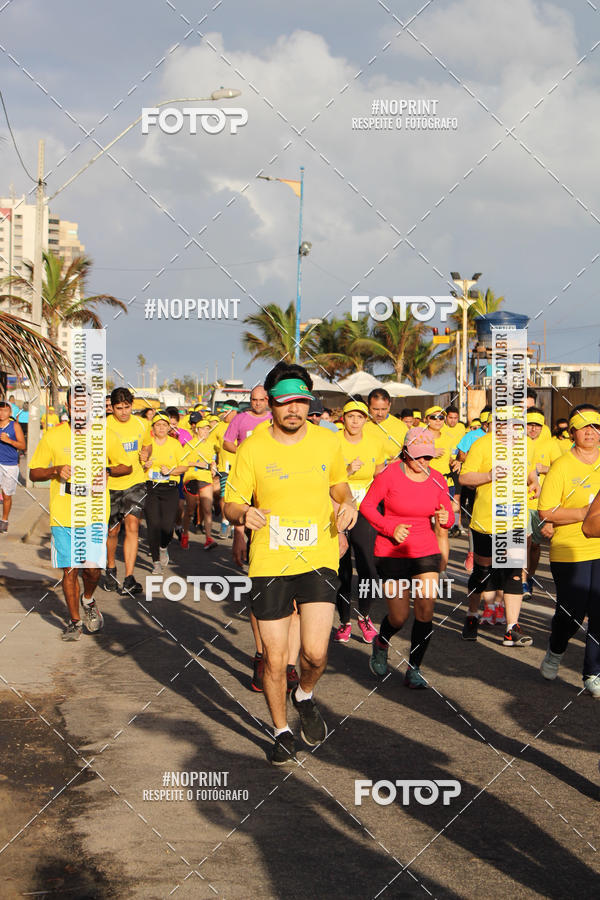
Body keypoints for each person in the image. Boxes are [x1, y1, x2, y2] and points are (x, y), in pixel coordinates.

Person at [224, 362, 357, 765]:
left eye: (301, 401)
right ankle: (281, 731)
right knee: (275, 658)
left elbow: (338, 484)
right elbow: (231, 502)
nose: (294, 409)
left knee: (315, 654)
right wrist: (243, 514)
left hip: (318, 555)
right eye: (285, 402)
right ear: (271, 404)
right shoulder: (253, 448)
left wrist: (348, 502)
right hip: (270, 561)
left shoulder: (327, 441)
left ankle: (304, 694)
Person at [29, 389, 131, 639]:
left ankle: (88, 599)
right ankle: (74, 621)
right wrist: (54, 470)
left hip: (94, 512)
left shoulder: (105, 435)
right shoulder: (53, 436)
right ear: (68, 407)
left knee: (92, 569)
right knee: (69, 569)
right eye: (76, 406)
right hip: (63, 513)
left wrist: (107, 471)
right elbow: (34, 472)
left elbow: (126, 466)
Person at [361, 427, 454, 687]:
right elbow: (367, 506)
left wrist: (446, 518)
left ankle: (414, 668)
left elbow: (447, 516)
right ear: (405, 453)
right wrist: (390, 527)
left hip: (425, 550)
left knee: (425, 610)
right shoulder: (389, 475)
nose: (423, 461)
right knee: (399, 616)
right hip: (392, 551)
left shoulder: (437, 478)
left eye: (428, 456)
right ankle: (382, 642)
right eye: (418, 456)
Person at [459, 409, 538, 646]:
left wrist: (534, 482)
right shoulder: (482, 444)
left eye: (516, 423)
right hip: (486, 521)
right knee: (483, 573)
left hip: (515, 520)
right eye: (504, 422)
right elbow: (464, 478)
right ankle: (472, 614)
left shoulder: (526, 444)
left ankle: (512, 628)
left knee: (513, 572)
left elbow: (530, 470)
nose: (510, 427)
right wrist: (489, 475)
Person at [539, 405, 600, 696]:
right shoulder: (562, 465)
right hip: (570, 548)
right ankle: (556, 648)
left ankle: (593, 672)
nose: (590, 432)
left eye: (595, 426)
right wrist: (584, 513)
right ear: (572, 431)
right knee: (572, 612)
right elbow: (546, 511)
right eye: (583, 426)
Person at [224, 385, 274, 689]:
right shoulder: (242, 422)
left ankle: (286, 663)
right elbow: (237, 502)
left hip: (295, 529)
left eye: (261, 400)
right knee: (261, 593)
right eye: (253, 400)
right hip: (256, 517)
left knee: (295, 601)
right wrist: (238, 535)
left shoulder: (284, 426)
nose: (257, 404)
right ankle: (261, 654)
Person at [333, 400, 386, 643]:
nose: (355, 421)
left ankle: (364, 616)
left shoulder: (375, 442)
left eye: (360, 417)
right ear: (343, 418)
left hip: (366, 509)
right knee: (342, 571)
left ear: (366, 419)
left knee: (369, 569)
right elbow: (324, 476)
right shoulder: (333, 441)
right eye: (351, 416)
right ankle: (344, 621)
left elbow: (379, 475)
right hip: (338, 507)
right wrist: (346, 470)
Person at [102, 387, 152, 595]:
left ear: (132, 405)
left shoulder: (142, 423)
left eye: (127, 407)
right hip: (110, 484)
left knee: (133, 527)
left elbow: (148, 445)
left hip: (135, 482)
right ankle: (111, 568)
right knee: (112, 531)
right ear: (111, 408)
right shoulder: (103, 426)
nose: (123, 412)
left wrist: (146, 454)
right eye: (119, 408)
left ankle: (129, 577)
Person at [140, 412, 188, 574]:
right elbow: (138, 465)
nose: (161, 428)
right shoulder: (147, 444)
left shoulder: (175, 444)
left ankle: (163, 547)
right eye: (158, 425)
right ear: (152, 428)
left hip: (170, 488)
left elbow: (184, 466)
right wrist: (145, 465)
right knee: (153, 525)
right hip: (151, 487)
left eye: (164, 425)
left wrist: (171, 471)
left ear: (169, 428)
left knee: (167, 527)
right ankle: (156, 562)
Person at [523, 408, 559, 600]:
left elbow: (562, 468)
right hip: (519, 500)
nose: (533, 429)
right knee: (523, 542)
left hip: (540, 502)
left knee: (535, 546)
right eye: (530, 424)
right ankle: (520, 581)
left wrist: (545, 468)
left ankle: (529, 577)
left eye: (537, 425)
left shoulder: (551, 444)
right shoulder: (517, 443)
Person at [180, 415, 219, 550]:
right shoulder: (190, 444)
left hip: (206, 479)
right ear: (197, 430)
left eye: (208, 429)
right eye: (203, 429)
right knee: (190, 510)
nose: (206, 431)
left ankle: (208, 538)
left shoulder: (211, 445)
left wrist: (213, 466)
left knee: (207, 509)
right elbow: (182, 461)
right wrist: (197, 464)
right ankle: (185, 534)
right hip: (192, 478)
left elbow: (212, 459)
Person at [211, 402, 238, 538]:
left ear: (234, 412)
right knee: (224, 495)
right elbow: (210, 445)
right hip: (224, 467)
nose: (224, 414)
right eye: (223, 411)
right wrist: (212, 461)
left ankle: (234, 524)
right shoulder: (218, 427)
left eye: (226, 412)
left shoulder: (240, 424)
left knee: (236, 497)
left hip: (240, 466)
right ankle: (224, 521)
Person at [0, 400, 26, 532]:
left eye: (5, 410)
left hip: (9, 465)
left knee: (6, 495)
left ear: (9, 412)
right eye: (0, 410)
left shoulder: (14, 426)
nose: (2, 413)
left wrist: (9, 440)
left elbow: (22, 445)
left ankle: (4, 520)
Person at [365, 388, 407, 463]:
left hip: (393, 469)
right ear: (368, 405)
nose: (380, 414)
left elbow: (411, 454)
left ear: (389, 406)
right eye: (375, 409)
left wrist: (401, 460)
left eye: (384, 409)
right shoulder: (359, 424)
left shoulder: (401, 426)